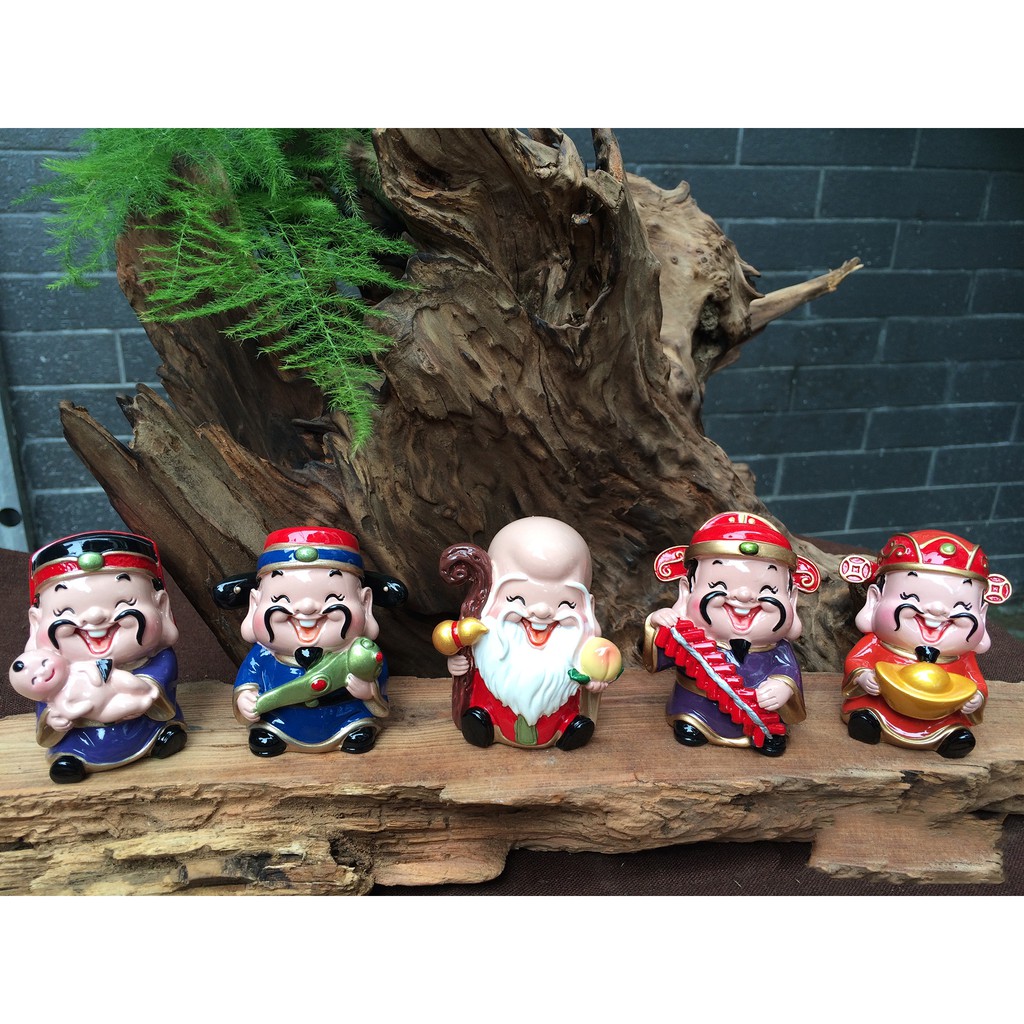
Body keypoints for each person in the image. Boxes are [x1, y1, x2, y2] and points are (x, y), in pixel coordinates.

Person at [644, 511, 820, 757]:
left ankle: (767, 733)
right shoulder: (690, 638)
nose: (745, 596)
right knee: (692, 718)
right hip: (698, 708)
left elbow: (787, 671)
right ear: (687, 591)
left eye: (768, 589)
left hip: (759, 714)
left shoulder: (776, 649)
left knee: (769, 727)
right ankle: (692, 722)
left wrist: (783, 686)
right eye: (718, 585)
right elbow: (657, 660)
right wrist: (657, 623)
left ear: (791, 599)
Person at [437, 517, 621, 750]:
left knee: (573, 722)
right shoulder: (485, 634)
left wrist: (594, 683)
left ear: (588, 605)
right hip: (491, 710)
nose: (542, 611)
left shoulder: (579, 644)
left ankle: (567, 728)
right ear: (490, 596)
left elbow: (596, 671)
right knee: (480, 716)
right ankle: (486, 724)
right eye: (516, 598)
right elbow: (468, 661)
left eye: (566, 603)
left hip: (559, 717)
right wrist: (456, 664)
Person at [19, 531, 186, 784]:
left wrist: (144, 689)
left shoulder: (156, 659)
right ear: (37, 622)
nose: (95, 616)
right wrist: (53, 718)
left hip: (143, 726)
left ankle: (161, 737)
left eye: (125, 602)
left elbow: (160, 679)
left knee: (162, 727)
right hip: (82, 737)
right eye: (64, 611)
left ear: (161, 607)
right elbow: (46, 696)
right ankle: (72, 759)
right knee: (67, 748)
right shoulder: (53, 671)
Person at [839, 529, 1012, 758]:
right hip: (882, 706)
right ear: (875, 600)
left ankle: (949, 738)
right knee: (867, 713)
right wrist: (863, 676)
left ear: (981, 614)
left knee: (953, 728)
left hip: (940, 718)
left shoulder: (961, 658)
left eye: (962, 605)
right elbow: (857, 661)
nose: (938, 610)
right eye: (911, 597)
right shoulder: (877, 644)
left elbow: (976, 683)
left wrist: (975, 698)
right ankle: (870, 724)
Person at [231, 527, 390, 756]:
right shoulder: (263, 655)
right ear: (255, 604)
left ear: (365, 603)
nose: (306, 608)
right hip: (279, 720)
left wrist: (368, 691)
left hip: (345, 718)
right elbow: (248, 679)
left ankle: (355, 729)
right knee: (266, 734)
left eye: (333, 598)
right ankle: (274, 733)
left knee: (358, 728)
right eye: (280, 598)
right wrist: (245, 697)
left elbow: (377, 675)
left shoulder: (359, 652)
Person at [9, 648, 157, 730]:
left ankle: (146, 689)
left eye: (44, 663)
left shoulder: (77, 667)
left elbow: (92, 670)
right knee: (120, 708)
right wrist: (84, 707)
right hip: (102, 709)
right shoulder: (59, 699)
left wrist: (96, 677)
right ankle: (141, 703)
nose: (44, 672)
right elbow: (69, 711)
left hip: (110, 683)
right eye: (35, 680)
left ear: (55, 654)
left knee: (126, 680)